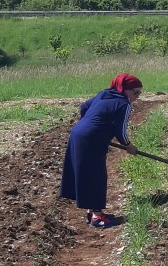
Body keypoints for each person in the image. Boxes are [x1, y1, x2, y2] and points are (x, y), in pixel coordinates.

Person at [59, 73, 142, 229]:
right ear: (125, 89)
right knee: (97, 175)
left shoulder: (105, 93)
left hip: (77, 133)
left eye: (140, 93)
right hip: (91, 139)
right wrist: (128, 145)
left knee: (89, 173)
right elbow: (120, 130)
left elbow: (84, 107)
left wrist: (91, 124)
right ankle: (97, 217)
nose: (137, 96)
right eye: (135, 92)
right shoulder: (124, 104)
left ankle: (92, 211)